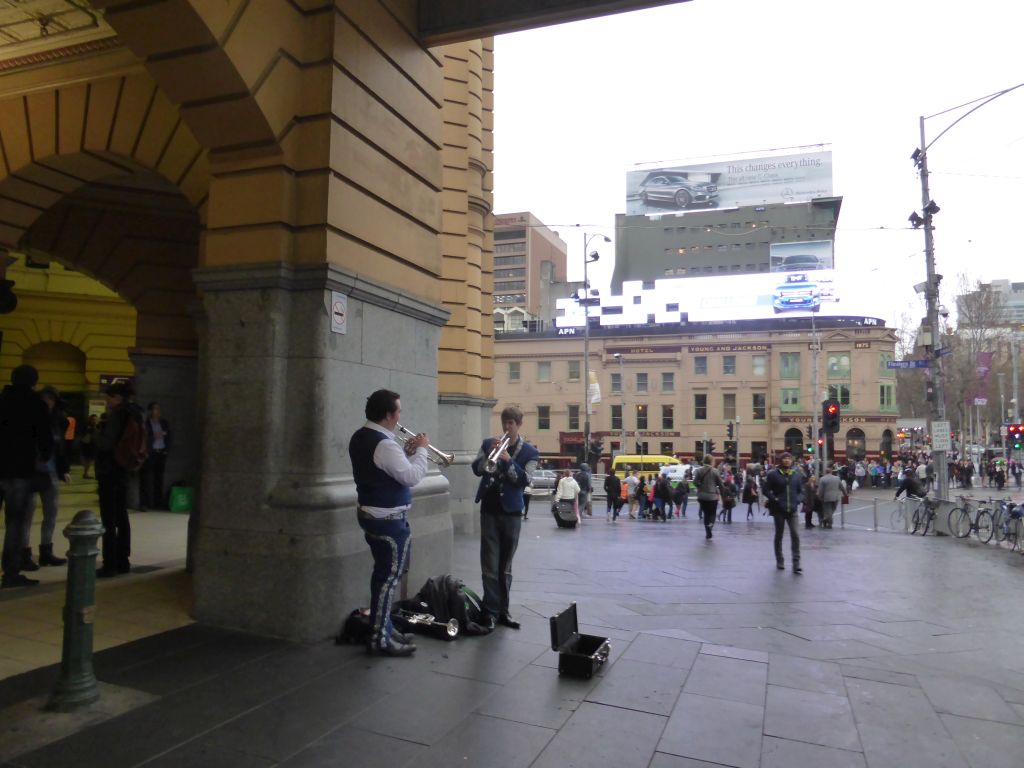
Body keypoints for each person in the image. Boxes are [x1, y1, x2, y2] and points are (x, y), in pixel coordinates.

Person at [349, 389, 428, 656]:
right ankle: (380, 638)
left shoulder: (362, 436)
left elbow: (387, 471)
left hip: (372, 515)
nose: (399, 417)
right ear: (388, 414)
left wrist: (406, 452)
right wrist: (422, 451)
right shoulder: (383, 444)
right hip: (388, 522)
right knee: (388, 579)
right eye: (398, 412)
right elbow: (411, 477)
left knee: (382, 576)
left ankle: (382, 625)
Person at [472, 406, 538, 630]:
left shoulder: (530, 452)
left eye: (511, 423)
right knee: (489, 564)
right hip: (490, 509)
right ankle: (489, 612)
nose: (507, 427)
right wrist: (487, 457)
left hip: (511, 513)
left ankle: (503, 610)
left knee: (505, 566)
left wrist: (508, 459)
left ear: (519, 425)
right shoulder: (488, 443)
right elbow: (477, 469)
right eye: (504, 423)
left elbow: (525, 480)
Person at [0, 365, 52, 588]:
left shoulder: (1, 400)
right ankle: (10, 573)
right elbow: (45, 440)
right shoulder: (35, 404)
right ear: (33, 381)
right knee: (14, 523)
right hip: (20, 470)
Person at [94, 382, 144, 578]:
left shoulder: (118, 416)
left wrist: (96, 432)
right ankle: (123, 560)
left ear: (120, 398)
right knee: (122, 517)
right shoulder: (135, 414)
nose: (108, 400)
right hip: (123, 469)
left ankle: (110, 563)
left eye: (111, 397)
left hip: (109, 470)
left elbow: (106, 443)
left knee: (109, 518)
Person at [22, 387, 70, 568]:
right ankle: (24, 553)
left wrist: (64, 469)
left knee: (51, 513)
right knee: (27, 514)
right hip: (29, 472)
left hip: (50, 472)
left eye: (51, 400)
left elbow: (61, 448)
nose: (48, 403)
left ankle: (46, 552)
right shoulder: (28, 420)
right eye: (45, 400)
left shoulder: (58, 422)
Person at [763, 452, 804, 573]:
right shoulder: (773, 475)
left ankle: (796, 563)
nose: (787, 460)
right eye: (784, 458)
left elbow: (801, 492)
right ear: (780, 461)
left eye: (789, 458)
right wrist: (774, 499)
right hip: (778, 510)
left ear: (792, 461)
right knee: (779, 535)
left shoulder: (796, 475)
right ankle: (780, 560)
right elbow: (765, 489)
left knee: (795, 535)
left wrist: (798, 500)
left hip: (792, 509)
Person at [140, 402, 172, 510]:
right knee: (146, 478)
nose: (156, 412)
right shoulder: (146, 423)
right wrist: (154, 436)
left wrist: (166, 450)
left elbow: (169, 436)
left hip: (161, 452)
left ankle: (158, 503)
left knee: (159, 478)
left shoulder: (164, 423)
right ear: (150, 411)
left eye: (158, 409)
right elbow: (144, 437)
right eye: (154, 409)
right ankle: (145, 503)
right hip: (150, 452)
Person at [694, 455, 723, 540]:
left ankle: (707, 532)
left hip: (702, 496)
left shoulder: (699, 471)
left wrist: (700, 486)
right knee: (712, 513)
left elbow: (695, 482)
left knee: (706, 514)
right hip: (712, 496)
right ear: (712, 462)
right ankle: (711, 525)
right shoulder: (715, 471)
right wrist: (723, 493)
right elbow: (720, 484)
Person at [818, 465, 846, 529]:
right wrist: (845, 495)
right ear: (831, 472)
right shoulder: (837, 478)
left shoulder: (822, 479)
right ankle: (828, 521)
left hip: (826, 497)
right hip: (835, 497)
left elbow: (821, 490)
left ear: (825, 472)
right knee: (832, 510)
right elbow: (842, 487)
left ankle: (827, 521)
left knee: (828, 511)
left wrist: (820, 497)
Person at [80, 414, 98, 479]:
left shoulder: (96, 426)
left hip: (93, 445)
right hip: (87, 445)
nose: (95, 421)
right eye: (93, 419)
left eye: (96, 419)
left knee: (90, 460)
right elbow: (84, 436)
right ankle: (86, 473)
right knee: (88, 459)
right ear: (90, 419)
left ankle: (86, 473)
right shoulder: (88, 427)